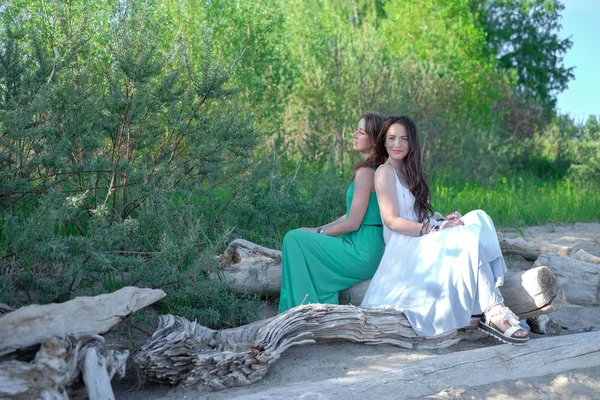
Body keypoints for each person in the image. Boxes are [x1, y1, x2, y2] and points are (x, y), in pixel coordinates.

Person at [361, 116, 530, 345]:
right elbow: (392, 221)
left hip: (421, 235)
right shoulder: (384, 172)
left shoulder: (411, 173)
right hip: (404, 246)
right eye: (391, 138)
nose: (397, 144)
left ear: (412, 144)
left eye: (404, 139)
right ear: (384, 142)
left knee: (477, 217)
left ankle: (493, 307)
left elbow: (418, 215)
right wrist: (433, 228)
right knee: (465, 235)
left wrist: (441, 222)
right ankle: (495, 311)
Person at [278, 113, 387, 313]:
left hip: (360, 249)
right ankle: (316, 310)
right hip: (369, 246)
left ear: (374, 140)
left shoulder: (366, 173)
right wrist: (316, 229)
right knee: (300, 236)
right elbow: (350, 215)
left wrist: (317, 234)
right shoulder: (377, 170)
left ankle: (300, 313)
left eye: (361, 132)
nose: (354, 134)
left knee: (293, 239)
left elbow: (353, 223)